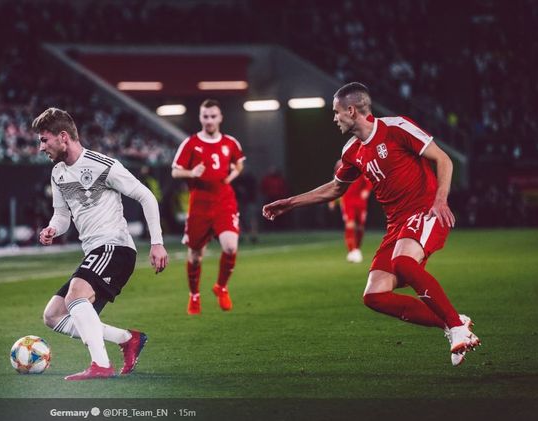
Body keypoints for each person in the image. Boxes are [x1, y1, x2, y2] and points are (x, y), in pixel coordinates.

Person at [263, 82, 480, 366]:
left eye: (336, 112)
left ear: (351, 110)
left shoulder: (396, 127)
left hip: (424, 211)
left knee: (403, 263)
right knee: (375, 295)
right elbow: (335, 189)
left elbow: (444, 159)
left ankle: (456, 326)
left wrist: (440, 200)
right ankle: (452, 321)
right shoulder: (352, 151)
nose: (334, 118)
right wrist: (289, 202)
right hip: (396, 225)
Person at [33, 108, 169, 380]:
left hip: (115, 248)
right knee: (53, 315)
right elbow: (62, 215)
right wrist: (52, 228)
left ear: (63, 137)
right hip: (96, 251)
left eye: (44, 140)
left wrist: (157, 243)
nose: (41, 147)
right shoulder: (58, 173)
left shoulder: (102, 165)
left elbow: (146, 196)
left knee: (75, 295)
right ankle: (127, 339)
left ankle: (100, 365)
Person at [172, 99, 245, 315]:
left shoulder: (230, 142)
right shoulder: (191, 143)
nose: (209, 120)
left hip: (224, 200)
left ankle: (221, 287)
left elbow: (239, 162)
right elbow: (175, 171)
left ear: (220, 117)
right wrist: (191, 173)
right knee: (195, 255)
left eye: (213, 116)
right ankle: (194, 295)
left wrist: (233, 174)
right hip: (200, 203)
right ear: (200, 117)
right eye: (205, 116)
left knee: (231, 247)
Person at [328, 164, 372, 263]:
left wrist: (366, 191)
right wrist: (332, 200)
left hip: (360, 201)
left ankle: (357, 249)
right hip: (347, 200)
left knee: (360, 226)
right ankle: (351, 251)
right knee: (350, 224)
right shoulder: (340, 165)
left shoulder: (361, 163)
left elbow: (369, 180)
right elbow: (336, 184)